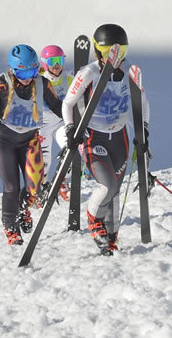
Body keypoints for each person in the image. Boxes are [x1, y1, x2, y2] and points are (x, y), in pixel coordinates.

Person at [61, 25, 144, 255]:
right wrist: (70, 129)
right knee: (106, 185)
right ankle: (93, 220)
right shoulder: (89, 72)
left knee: (114, 190)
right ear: (98, 51)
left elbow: (143, 103)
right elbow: (68, 103)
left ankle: (110, 235)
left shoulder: (131, 71)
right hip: (93, 136)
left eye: (121, 51)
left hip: (120, 137)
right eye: (108, 52)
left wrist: (143, 132)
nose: (115, 57)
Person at [0, 44, 65, 245]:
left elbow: (58, 107)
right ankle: (11, 227)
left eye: (33, 70)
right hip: (3, 139)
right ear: (13, 69)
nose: (30, 76)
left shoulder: (43, 84)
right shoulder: (0, 85)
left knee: (34, 189)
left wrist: (75, 123)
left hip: (29, 139)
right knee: (11, 186)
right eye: (25, 71)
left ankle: (22, 209)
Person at [34, 44, 70, 204]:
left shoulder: (69, 77)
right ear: (44, 63)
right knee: (44, 161)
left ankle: (62, 181)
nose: (57, 65)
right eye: (53, 61)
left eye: (60, 60)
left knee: (70, 149)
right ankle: (40, 189)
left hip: (61, 123)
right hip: (42, 126)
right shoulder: (37, 80)